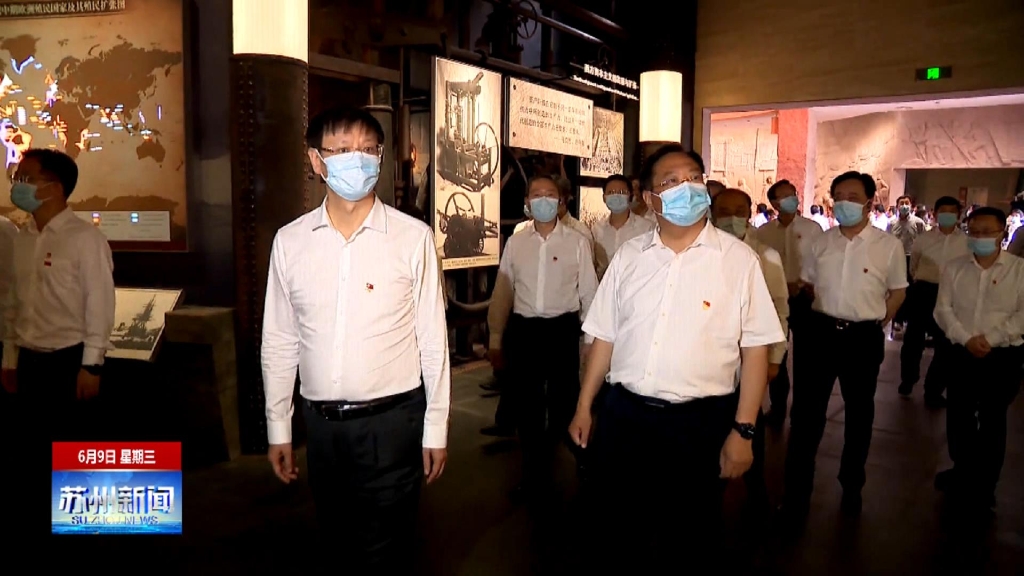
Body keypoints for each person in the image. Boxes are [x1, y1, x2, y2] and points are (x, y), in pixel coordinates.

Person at [569, 144, 783, 569]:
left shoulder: (738, 260)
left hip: (699, 424)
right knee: (615, 531)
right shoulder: (630, 256)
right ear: (650, 199)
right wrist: (584, 406)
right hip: (625, 416)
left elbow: (756, 350)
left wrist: (743, 431)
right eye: (671, 181)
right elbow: (604, 336)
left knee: (691, 539)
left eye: (693, 177)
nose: (686, 187)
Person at [261, 107, 450, 571]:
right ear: (316, 160)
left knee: (385, 551)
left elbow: (433, 340)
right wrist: (278, 426)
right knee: (336, 542)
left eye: (368, 150)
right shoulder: (291, 242)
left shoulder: (412, 239)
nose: (357, 159)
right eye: (343, 149)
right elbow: (280, 340)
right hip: (322, 430)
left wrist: (436, 427)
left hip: (392, 426)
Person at [1, 148, 114, 536]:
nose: (17, 186)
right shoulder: (23, 237)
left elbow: (100, 303)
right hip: (29, 361)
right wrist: (10, 357)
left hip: (68, 362)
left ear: (54, 187)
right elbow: (14, 302)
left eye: (25, 179)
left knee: (73, 458)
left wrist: (91, 364)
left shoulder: (85, 239)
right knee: (31, 457)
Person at [782, 171, 907, 517]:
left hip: (862, 338)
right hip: (820, 334)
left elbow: (898, 291)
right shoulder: (821, 242)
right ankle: (796, 492)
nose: (844, 203)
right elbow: (807, 284)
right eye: (838, 196)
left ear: (869, 201)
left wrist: (878, 321)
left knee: (859, 413)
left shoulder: (888, 246)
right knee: (806, 415)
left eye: (852, 197)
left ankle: (852, 483)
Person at [488, 175, 597, 498]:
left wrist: (591, 342)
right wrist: (495, 337)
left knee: (566, 402)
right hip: (525, 331)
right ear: (527, 202)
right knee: (528, 407)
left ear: (561, 201)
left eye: (550, 194)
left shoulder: (577, 242)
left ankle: (584, 460)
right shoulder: (516, 242)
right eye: (537, 194)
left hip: (562, 330)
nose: (544, 200)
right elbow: (503, 291)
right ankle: (533, 473)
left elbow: (589, 294)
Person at [933, 207, 1024, 509]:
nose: (981, 237)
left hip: (1002, 356)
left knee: (992, 419)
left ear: (1002, 233)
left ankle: (986, 483)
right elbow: (943, 309)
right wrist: (965, 338)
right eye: (974, 231)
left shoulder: (1018, 270)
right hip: (961, 352)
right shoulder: (955, 268)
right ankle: (962, 470)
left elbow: (1022, 315)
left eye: (988, 231)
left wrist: (991, 339)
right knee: (959, 416)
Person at [710, 187, 789, 512]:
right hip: (712, 357)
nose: (731, 218)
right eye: (723, 212)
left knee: (749, 420)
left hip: (750, 357)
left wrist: (775, 359)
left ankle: (756, 494)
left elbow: (779, 308)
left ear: (749, 214)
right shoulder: (702, 252)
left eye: (738, 212)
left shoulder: (765, 257)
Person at [753, 179, 823, 427]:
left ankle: (801, 410)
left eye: (793, 194)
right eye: (784, 196)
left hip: (804, 298)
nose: (792, 199)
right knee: (777, 355)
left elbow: (819, 263)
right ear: (774, 203)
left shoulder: (813, 229)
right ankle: (778, 407)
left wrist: (803, 283)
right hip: (774, 299)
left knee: (805, 357)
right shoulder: (763, 232)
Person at [899, 196, 970, 406]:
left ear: (958, 215)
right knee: (913, 340)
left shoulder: (966, 242)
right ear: (935, 214)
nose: (947, 215)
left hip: (952, 294)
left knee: (946, 344)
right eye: (943, 211)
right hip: (924, 292)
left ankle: (933, 390)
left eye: (952, 211)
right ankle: (908, 379)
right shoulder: (924, 239)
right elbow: (913, 266)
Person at [591, 174, 654, 279]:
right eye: (611, 192)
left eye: (621, 192)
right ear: (604, 198)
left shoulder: (646, 228)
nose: (616, 196)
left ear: (630, 196)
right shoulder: (596, 229)